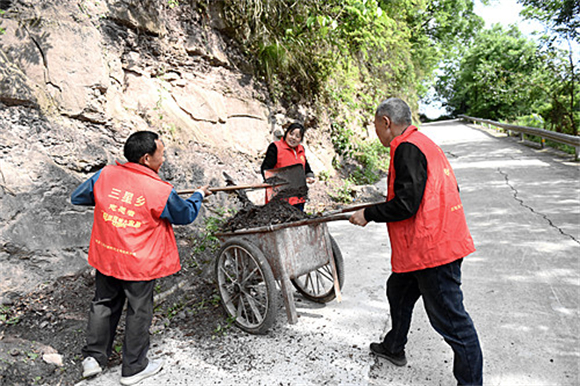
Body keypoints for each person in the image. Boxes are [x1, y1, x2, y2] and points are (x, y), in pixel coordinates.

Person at [349, 98, 483, 385]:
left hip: (434, 249)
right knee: (397, 290)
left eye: (374, 125)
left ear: (385, 122)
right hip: (428, 243)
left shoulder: (407, 148)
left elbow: (406, 204)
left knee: (453, 323)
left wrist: (368, 213)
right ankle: (394, 347)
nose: (375, 131)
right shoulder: (423, 143)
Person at [71, 131, 212, 386]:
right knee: (139, 310)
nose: (164, 156)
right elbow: (185, 214)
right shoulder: (159, 189)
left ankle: (93, 358)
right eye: (162, 152)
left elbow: (79, 196)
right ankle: (134, 367)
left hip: (108, 254)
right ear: (147, 158)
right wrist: (199, 195)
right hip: (139, 262)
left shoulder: (105, 174)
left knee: (103, 302)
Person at [260, 122, 315, 211]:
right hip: (279, 197)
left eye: (297, 136)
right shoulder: (276, 147)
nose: (293, 138)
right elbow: (265, 169)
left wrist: (309, 175)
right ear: (286, 133)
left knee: (297, 222)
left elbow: (305, 167)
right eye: (291, 134)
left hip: (298, 196)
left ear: (301, 139)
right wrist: (272, 183)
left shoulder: (301, 150)